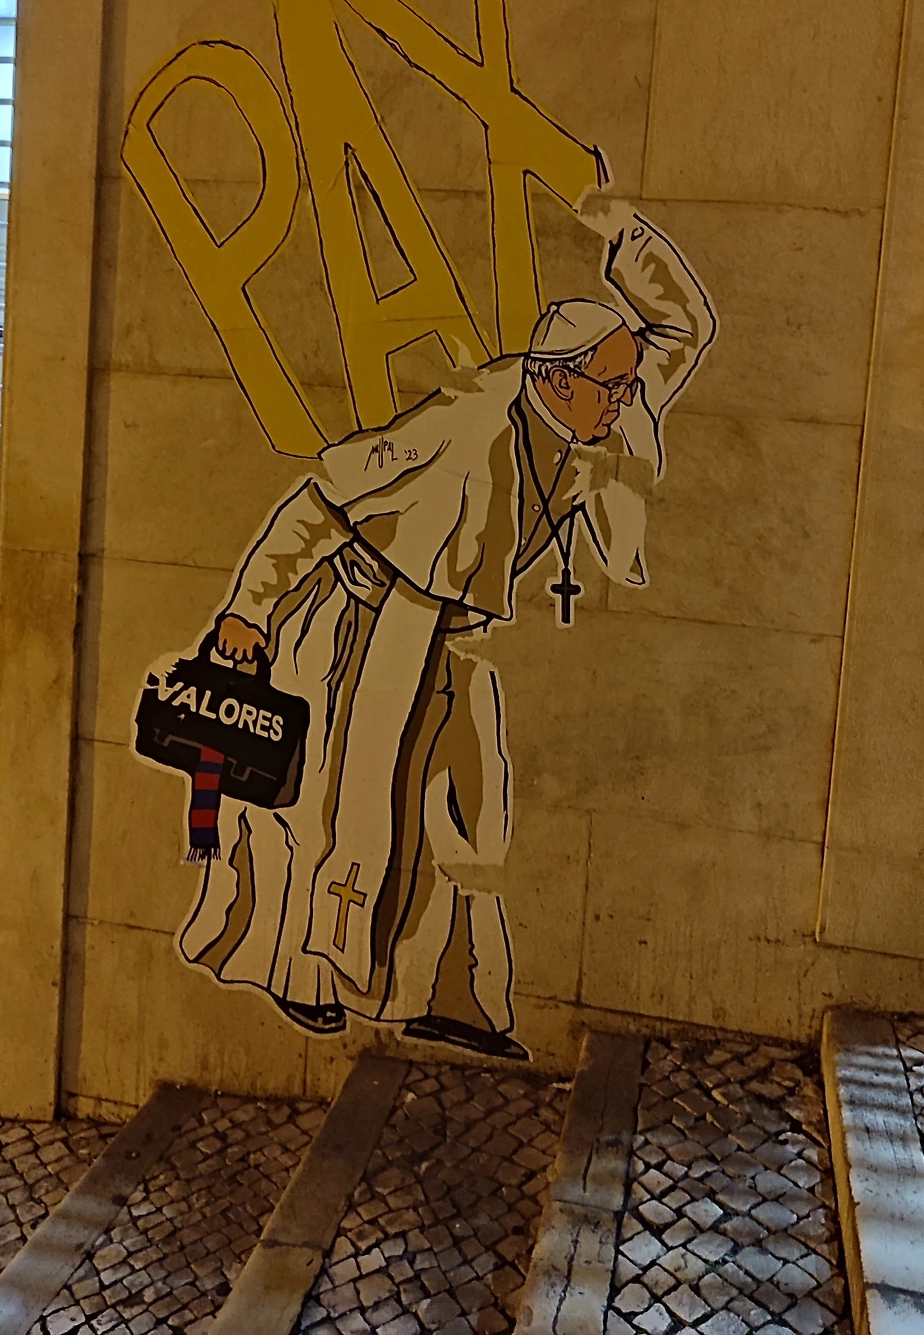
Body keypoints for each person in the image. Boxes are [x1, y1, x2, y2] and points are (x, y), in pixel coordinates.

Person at [172, 198, 716, 1058]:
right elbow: (322, 502)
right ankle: (305, 974)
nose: (626, 399)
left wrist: (622, 234)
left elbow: (684, 327)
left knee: (463, 817)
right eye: (610, 387)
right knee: (333, 811)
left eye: (625, 385)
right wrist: (249, 608)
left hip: (455, 643)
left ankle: (444, 994)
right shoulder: (458, 423)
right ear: (555, 381)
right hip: (363, 636)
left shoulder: (607, 403)